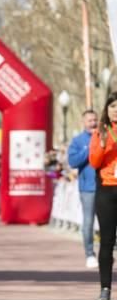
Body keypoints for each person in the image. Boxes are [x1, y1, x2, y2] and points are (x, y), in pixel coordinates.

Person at [89, 92, 117, 300]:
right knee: (107, 242)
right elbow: (94, 162)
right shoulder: (100, 133)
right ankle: (105, 288)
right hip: (107, 191)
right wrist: (103, 144)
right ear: (106, 110)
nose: (115, 109)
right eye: (112, 106)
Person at [68, 109, 98, 268]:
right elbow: (72, 161)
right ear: (84, 122)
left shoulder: (105, 137)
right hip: (88, 188)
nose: (93, 123)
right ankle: (89, 253)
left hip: (106, 185)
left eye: (95, 120)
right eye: (90, 120)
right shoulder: (78, 141)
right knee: (88, 222)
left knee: (110, 221)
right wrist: (88, 149)